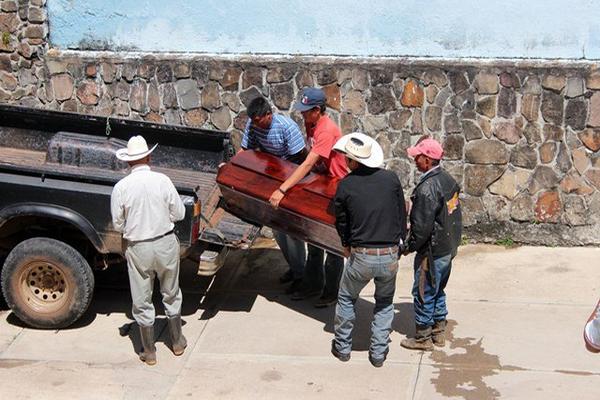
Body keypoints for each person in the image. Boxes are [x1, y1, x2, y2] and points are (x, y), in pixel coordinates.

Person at [330, 132, 407, 368]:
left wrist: (345, 245)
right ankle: (378, 353)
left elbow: (340, 220)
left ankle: (342, 347)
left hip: (361, 255)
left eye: (346, 158)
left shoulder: (346, 185)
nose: (344, 161)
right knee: (384, 303)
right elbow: (401, 213)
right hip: (390, 254)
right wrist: (400, 243)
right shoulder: (391, 179)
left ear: (354, 162)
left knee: (345, 297)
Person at [111, 135, 187, 365]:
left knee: (142, 297)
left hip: (139, 247)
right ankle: (176, 341)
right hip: (165, 242)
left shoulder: (121, 187)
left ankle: (149, 351)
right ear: (148, 156)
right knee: (171, 291)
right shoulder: (163, 180)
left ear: (128, 162)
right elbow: (180, 214)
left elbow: (117, 224)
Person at [269, 87, 348, 308]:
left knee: (332, 244)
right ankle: (312, 284)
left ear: (317, 110)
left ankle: (331, 292)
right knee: (314, 238)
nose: (302, 115)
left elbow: (308, 162)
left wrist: (283, 189)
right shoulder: (311, 123)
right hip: (321, 182)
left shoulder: (326, 130)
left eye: (306, 111)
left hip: (336, 186)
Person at [240, 96, 308, 293]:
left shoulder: (287, 127)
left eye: (259, 121)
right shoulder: (253, 125)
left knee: (292, 230)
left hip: (292, 178)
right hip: (270, 178)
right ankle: (295, 269)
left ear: (268, 115)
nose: (256, 126)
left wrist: (285, 187)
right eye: (254, 122)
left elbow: (300, 158)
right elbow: (246, 150)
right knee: (277, 229)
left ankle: (301, 275)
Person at [401, 137, 462, 351]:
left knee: (423, 292)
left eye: (417, 157)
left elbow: (421, 227)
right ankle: (439, 332)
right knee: (438, 289)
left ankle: (422, 338)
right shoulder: (448, 180)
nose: (414, 160)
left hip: (431, 251)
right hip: (447, 248)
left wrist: (407, 247)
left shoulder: (427, 188)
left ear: (427, 160)